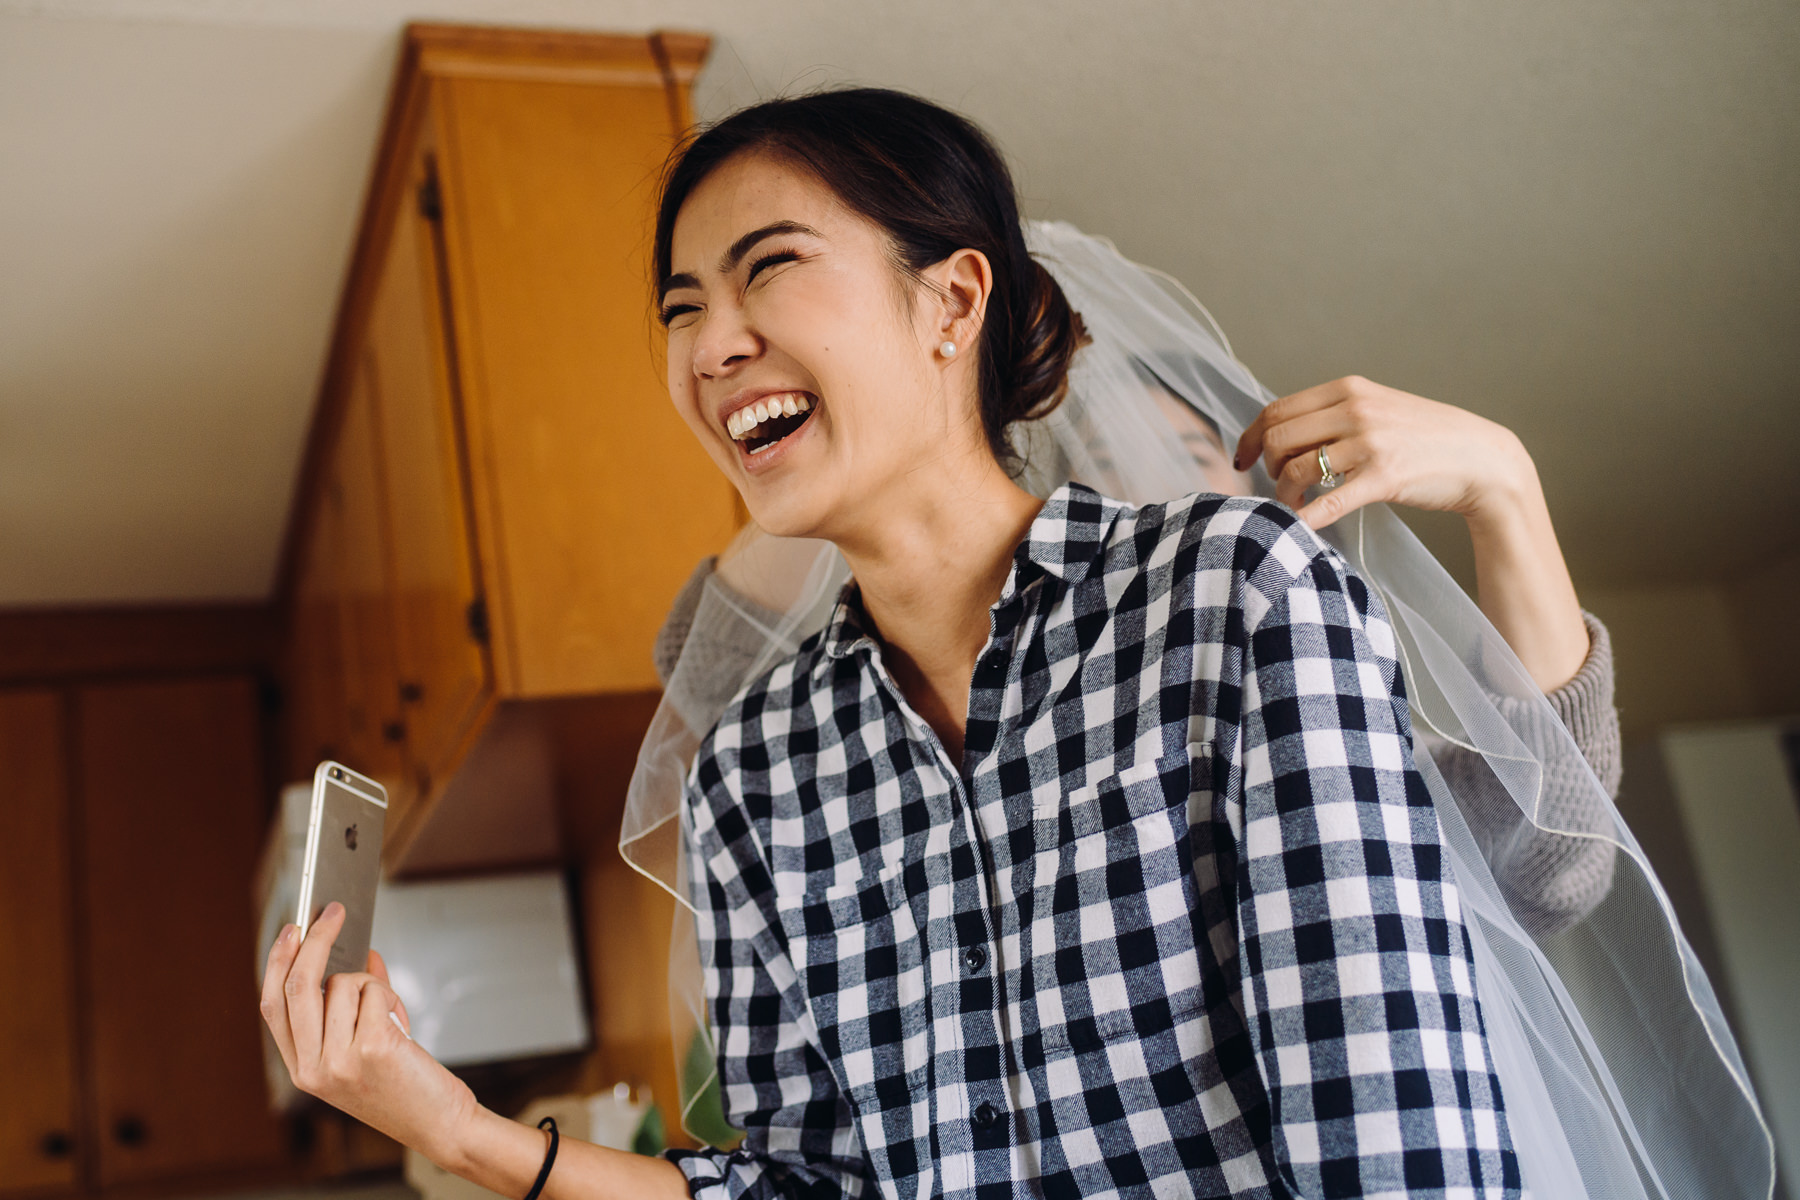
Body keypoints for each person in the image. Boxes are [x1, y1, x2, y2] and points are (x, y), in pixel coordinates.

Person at [261, 88, 1772, 1200]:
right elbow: (806, 1189)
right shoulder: (752, 778)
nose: (707, 341)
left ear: (956, 297)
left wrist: (1504, 481)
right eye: (679, 307)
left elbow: (1400, 1123)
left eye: (768, 269)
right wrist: (454, 1128)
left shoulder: (1232, 598)